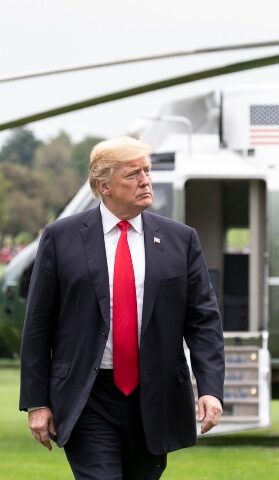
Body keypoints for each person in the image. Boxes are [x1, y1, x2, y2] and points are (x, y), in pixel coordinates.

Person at [19, 136, 225, 479]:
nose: (146, 180)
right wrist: (37, 402)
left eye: (147, 171)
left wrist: (210, 389)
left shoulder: (181, 239)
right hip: (88, 396)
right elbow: (39, 325)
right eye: (133, 174)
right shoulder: (61, 237)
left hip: (154, 396)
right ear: (104, 186)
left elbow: (203, 322)